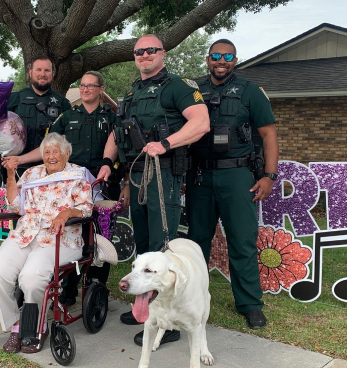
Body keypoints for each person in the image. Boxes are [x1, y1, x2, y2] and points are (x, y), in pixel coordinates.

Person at [97, 34, 210, 347]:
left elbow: (201, 123)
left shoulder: (178, 86)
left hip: (163, 175)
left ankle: (168, 321)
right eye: (139, 51)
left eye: (151, 50)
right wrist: (108, 162)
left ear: (162, 53)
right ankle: (145, 308)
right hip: (136, 175)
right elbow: (118, 134)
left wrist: (165, 143)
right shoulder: (132, 91)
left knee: (163, 248)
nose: (144, 55)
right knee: (145, 246)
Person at [4, 71, 128, 306]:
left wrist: (129, 184)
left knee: (97, 237)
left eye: (91, 86)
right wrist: (18, 160)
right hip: (68, 186)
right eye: (82, 85)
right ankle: (68, 290)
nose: (85, 89)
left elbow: (125, 152)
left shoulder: (112, 118)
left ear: (102, 89)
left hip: (102, 184)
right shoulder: (67, 116)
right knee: (70, 235)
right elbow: (47, 148)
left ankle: (96, 287)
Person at [186, 39, 279, 330]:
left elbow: (269, 136)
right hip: (199, 176)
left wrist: (269, 175)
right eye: (216, 56)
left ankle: (250, 304)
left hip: (237, 176)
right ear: (207, 59)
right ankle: (190, 300)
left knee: (241, 241)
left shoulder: (250, 91)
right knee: (196, 242)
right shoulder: (192, 91)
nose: (221, 61)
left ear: (235, 60)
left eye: (227, 56)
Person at [0, 133, 94, 354]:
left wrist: (65, 213)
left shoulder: (77, 176)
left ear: (67, 153)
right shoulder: (31, 173)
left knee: (31, 278)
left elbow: (86, 208)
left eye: (56, 151)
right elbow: (16, 205)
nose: (51, 156)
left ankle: (38, 326)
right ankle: (17, 325)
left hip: (59, 238)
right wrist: (9, 174)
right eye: (47, 152)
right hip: (26, 233)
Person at [0, 55, 71, 179]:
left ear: (53, 73)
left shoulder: (63, 104)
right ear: (30, 72)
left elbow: (65, 142)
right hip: (15, 169)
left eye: (47, 70)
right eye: (38, 70)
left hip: (49, 171)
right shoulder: (14, 99)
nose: (43, 74)